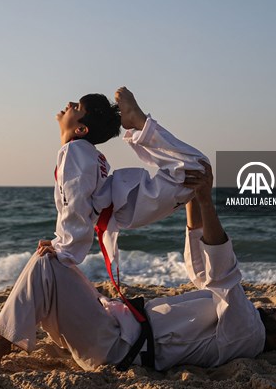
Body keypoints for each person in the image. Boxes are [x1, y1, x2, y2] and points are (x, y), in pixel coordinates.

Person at [0, 160, 276, 372]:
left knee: (47, 265)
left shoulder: (247, 333)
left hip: (112, 348)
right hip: (110, 327)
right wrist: (191, 198)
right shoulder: (240, 320)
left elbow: (224, 272)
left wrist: (206, 198)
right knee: (50, 257)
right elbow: (203, 271)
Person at [49, 87, 209, 272]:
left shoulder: (75, 150)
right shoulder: (81, 151)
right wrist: (60, 244)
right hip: (133, 202)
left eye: (76, 107)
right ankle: (138, 125)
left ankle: (138, 122)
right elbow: (72, 203)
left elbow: (73, 204)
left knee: (198, 168)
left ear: (82, 129)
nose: (69, 104)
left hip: (133, 202)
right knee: (198, 166)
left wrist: (64, 250)